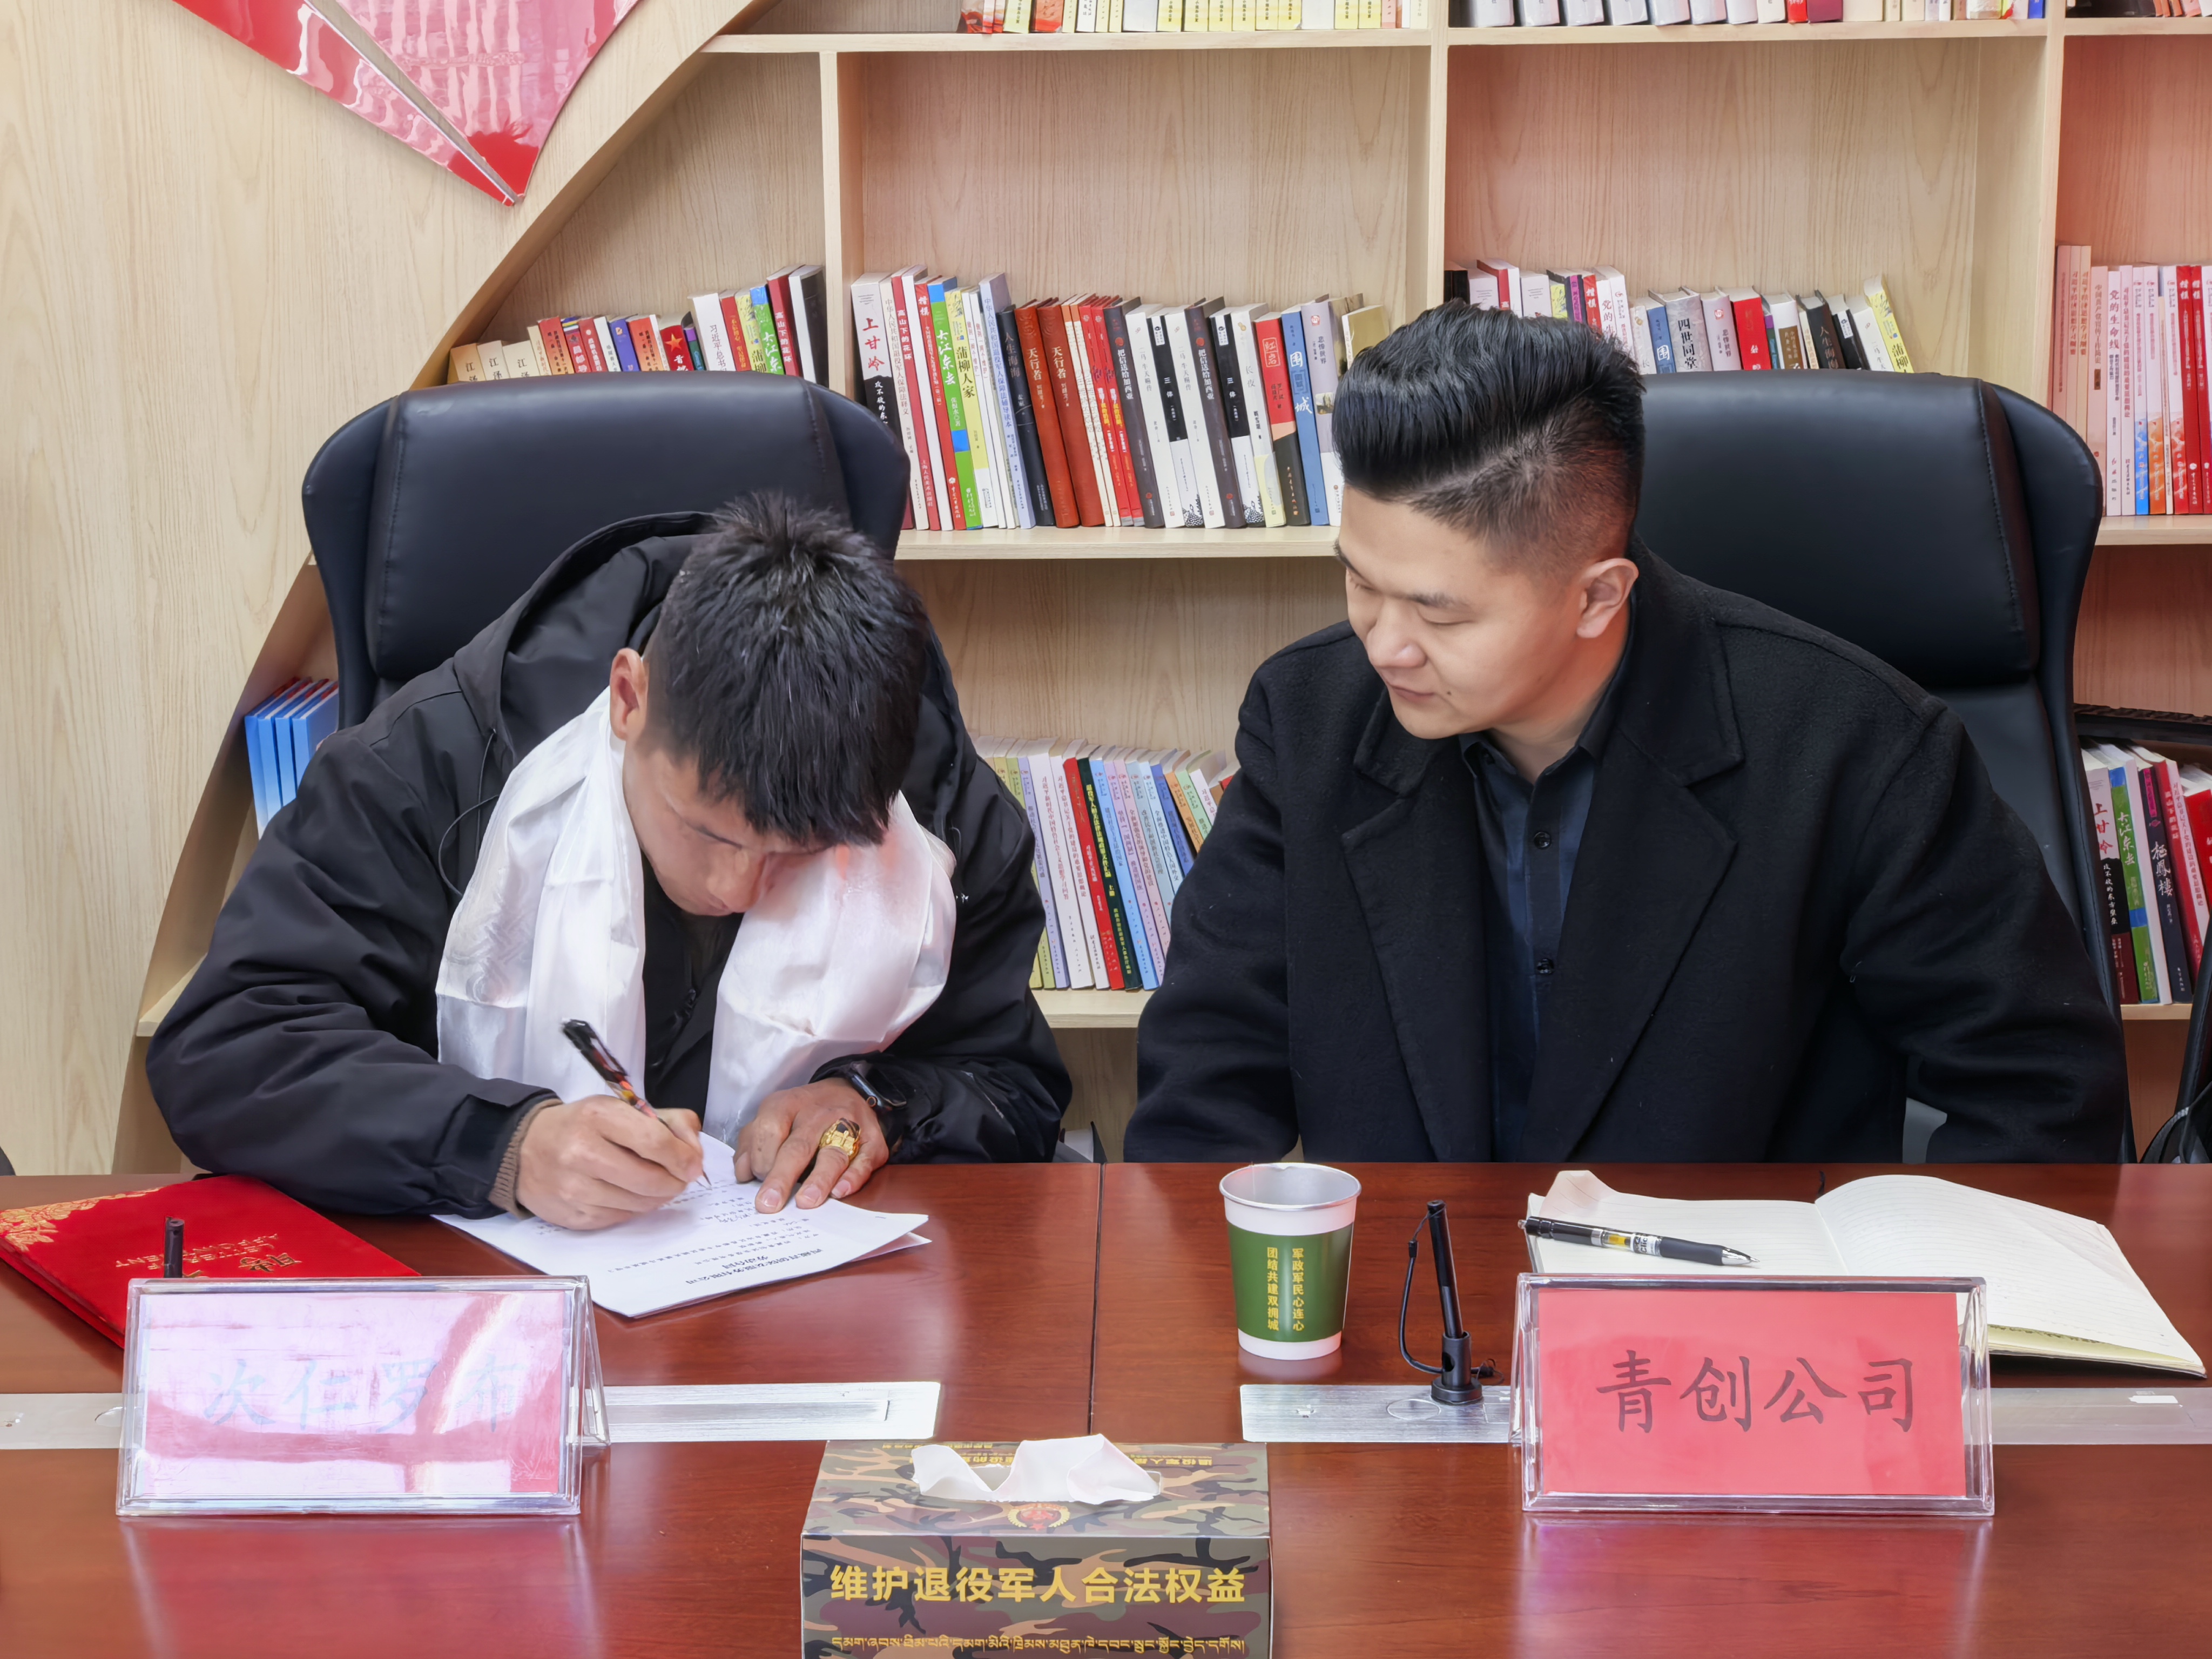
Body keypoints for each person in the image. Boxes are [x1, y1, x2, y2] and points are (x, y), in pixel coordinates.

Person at [1128, 304, 2127, 1164]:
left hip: (1733, 1309)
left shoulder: (1855, 746)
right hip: (1415, 1301)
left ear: (1598, 597)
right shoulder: (1308, 718)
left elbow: (2038, 1089)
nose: (1383, 646)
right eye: (1359, 580)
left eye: (1440, 613)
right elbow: (1208, 1077)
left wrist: (1876, 1296)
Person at [152, 494, 1069, 1226]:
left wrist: (877, 1105)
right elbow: (228, 1047)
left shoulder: (938, 816)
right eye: (709, 834)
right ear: (629, 699)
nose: (732, 890)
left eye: (797, 857)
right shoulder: (434, 765)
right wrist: (501, 1146)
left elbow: (1011, 1085)